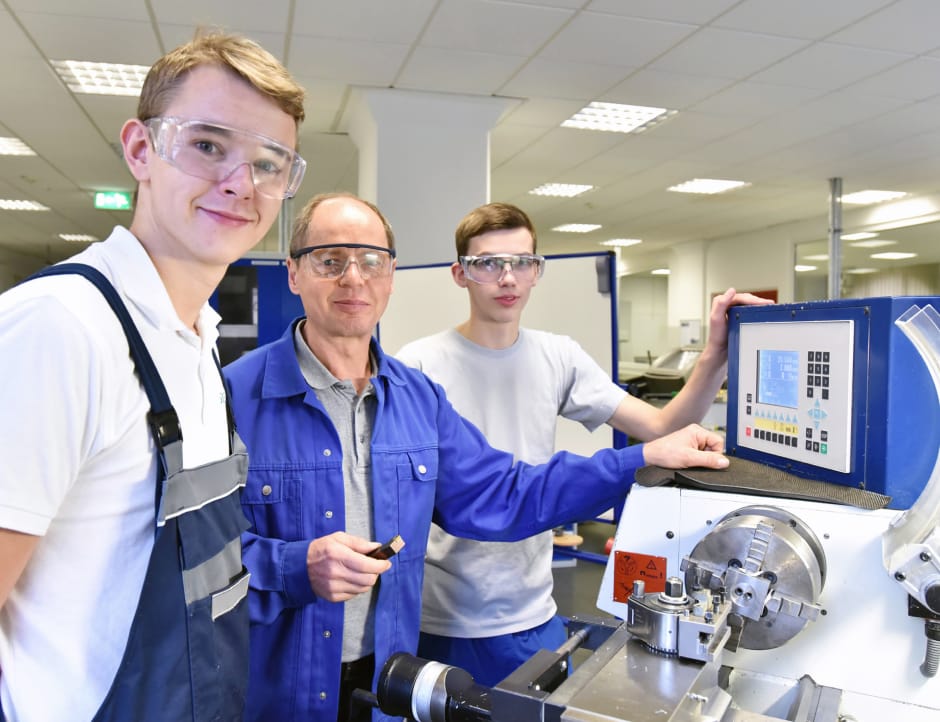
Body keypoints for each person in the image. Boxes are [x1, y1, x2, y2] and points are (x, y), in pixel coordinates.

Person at [222, 191, 731, 722]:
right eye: (330, 260)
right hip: (277, 693)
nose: (353, 278)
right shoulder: (234, 396)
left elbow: (504, 495)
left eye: (371, 260)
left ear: (390, 275)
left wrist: (641, 457)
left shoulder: (417, 397)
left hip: (388, 686)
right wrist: (293, 567)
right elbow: (188, 562)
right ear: (294, 273)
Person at [0, 32, 306, 722]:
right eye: (207, 145)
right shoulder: (61, 328)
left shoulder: (198, 341)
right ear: (141, 149)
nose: (240, 182)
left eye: (269, 162)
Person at [395, 201, 774, 686]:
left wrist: (715, 355)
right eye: (489, 263)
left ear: (537, 272)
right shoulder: (419, 365)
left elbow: (660, 428)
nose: (507, 278)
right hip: (438, 617)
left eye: (521, 263)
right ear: (460, 273)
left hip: (531, 613)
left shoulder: (557, 357)